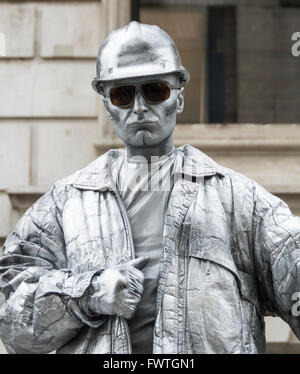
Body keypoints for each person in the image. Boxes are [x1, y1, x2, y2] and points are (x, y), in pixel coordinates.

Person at [0, 21, 300, 355]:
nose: (140, 107)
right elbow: (11, 320)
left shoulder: (237, 201)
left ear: (179, 96)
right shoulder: (65, 204)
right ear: (107, 105)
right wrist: (89, 292)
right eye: (123, 94)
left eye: (155, 89)